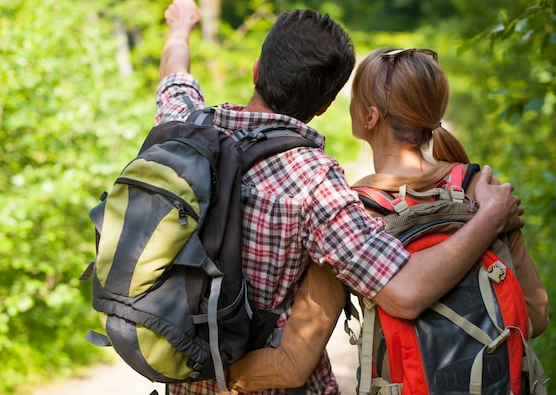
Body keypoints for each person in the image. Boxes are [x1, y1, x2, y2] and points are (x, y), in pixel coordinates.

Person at [157, 0, 526, 395]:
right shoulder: (315, 182)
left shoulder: (186, 127)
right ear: (324, 106)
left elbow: (174, 74)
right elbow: (404, 292)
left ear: (256, 70)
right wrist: (491, 216)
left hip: (181, 375)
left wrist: (182, 25)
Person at [227, 48, 549, 393]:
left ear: (370, 117)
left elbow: (293, 364)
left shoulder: (351, 214)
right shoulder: (483, 192)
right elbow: (535, 314)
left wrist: (210, 372)